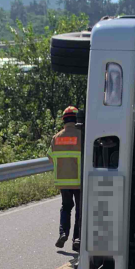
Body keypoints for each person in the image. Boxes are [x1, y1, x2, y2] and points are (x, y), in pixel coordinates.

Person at [50, 106, 83, 252]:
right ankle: (77, 239)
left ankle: (63, 233)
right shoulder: (82, 136)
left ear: (64, 120)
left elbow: (50, 157)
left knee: (66, 207)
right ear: (76, 119)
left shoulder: (56, 137)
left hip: (63, 180)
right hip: (79, 180)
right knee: (80, 210)